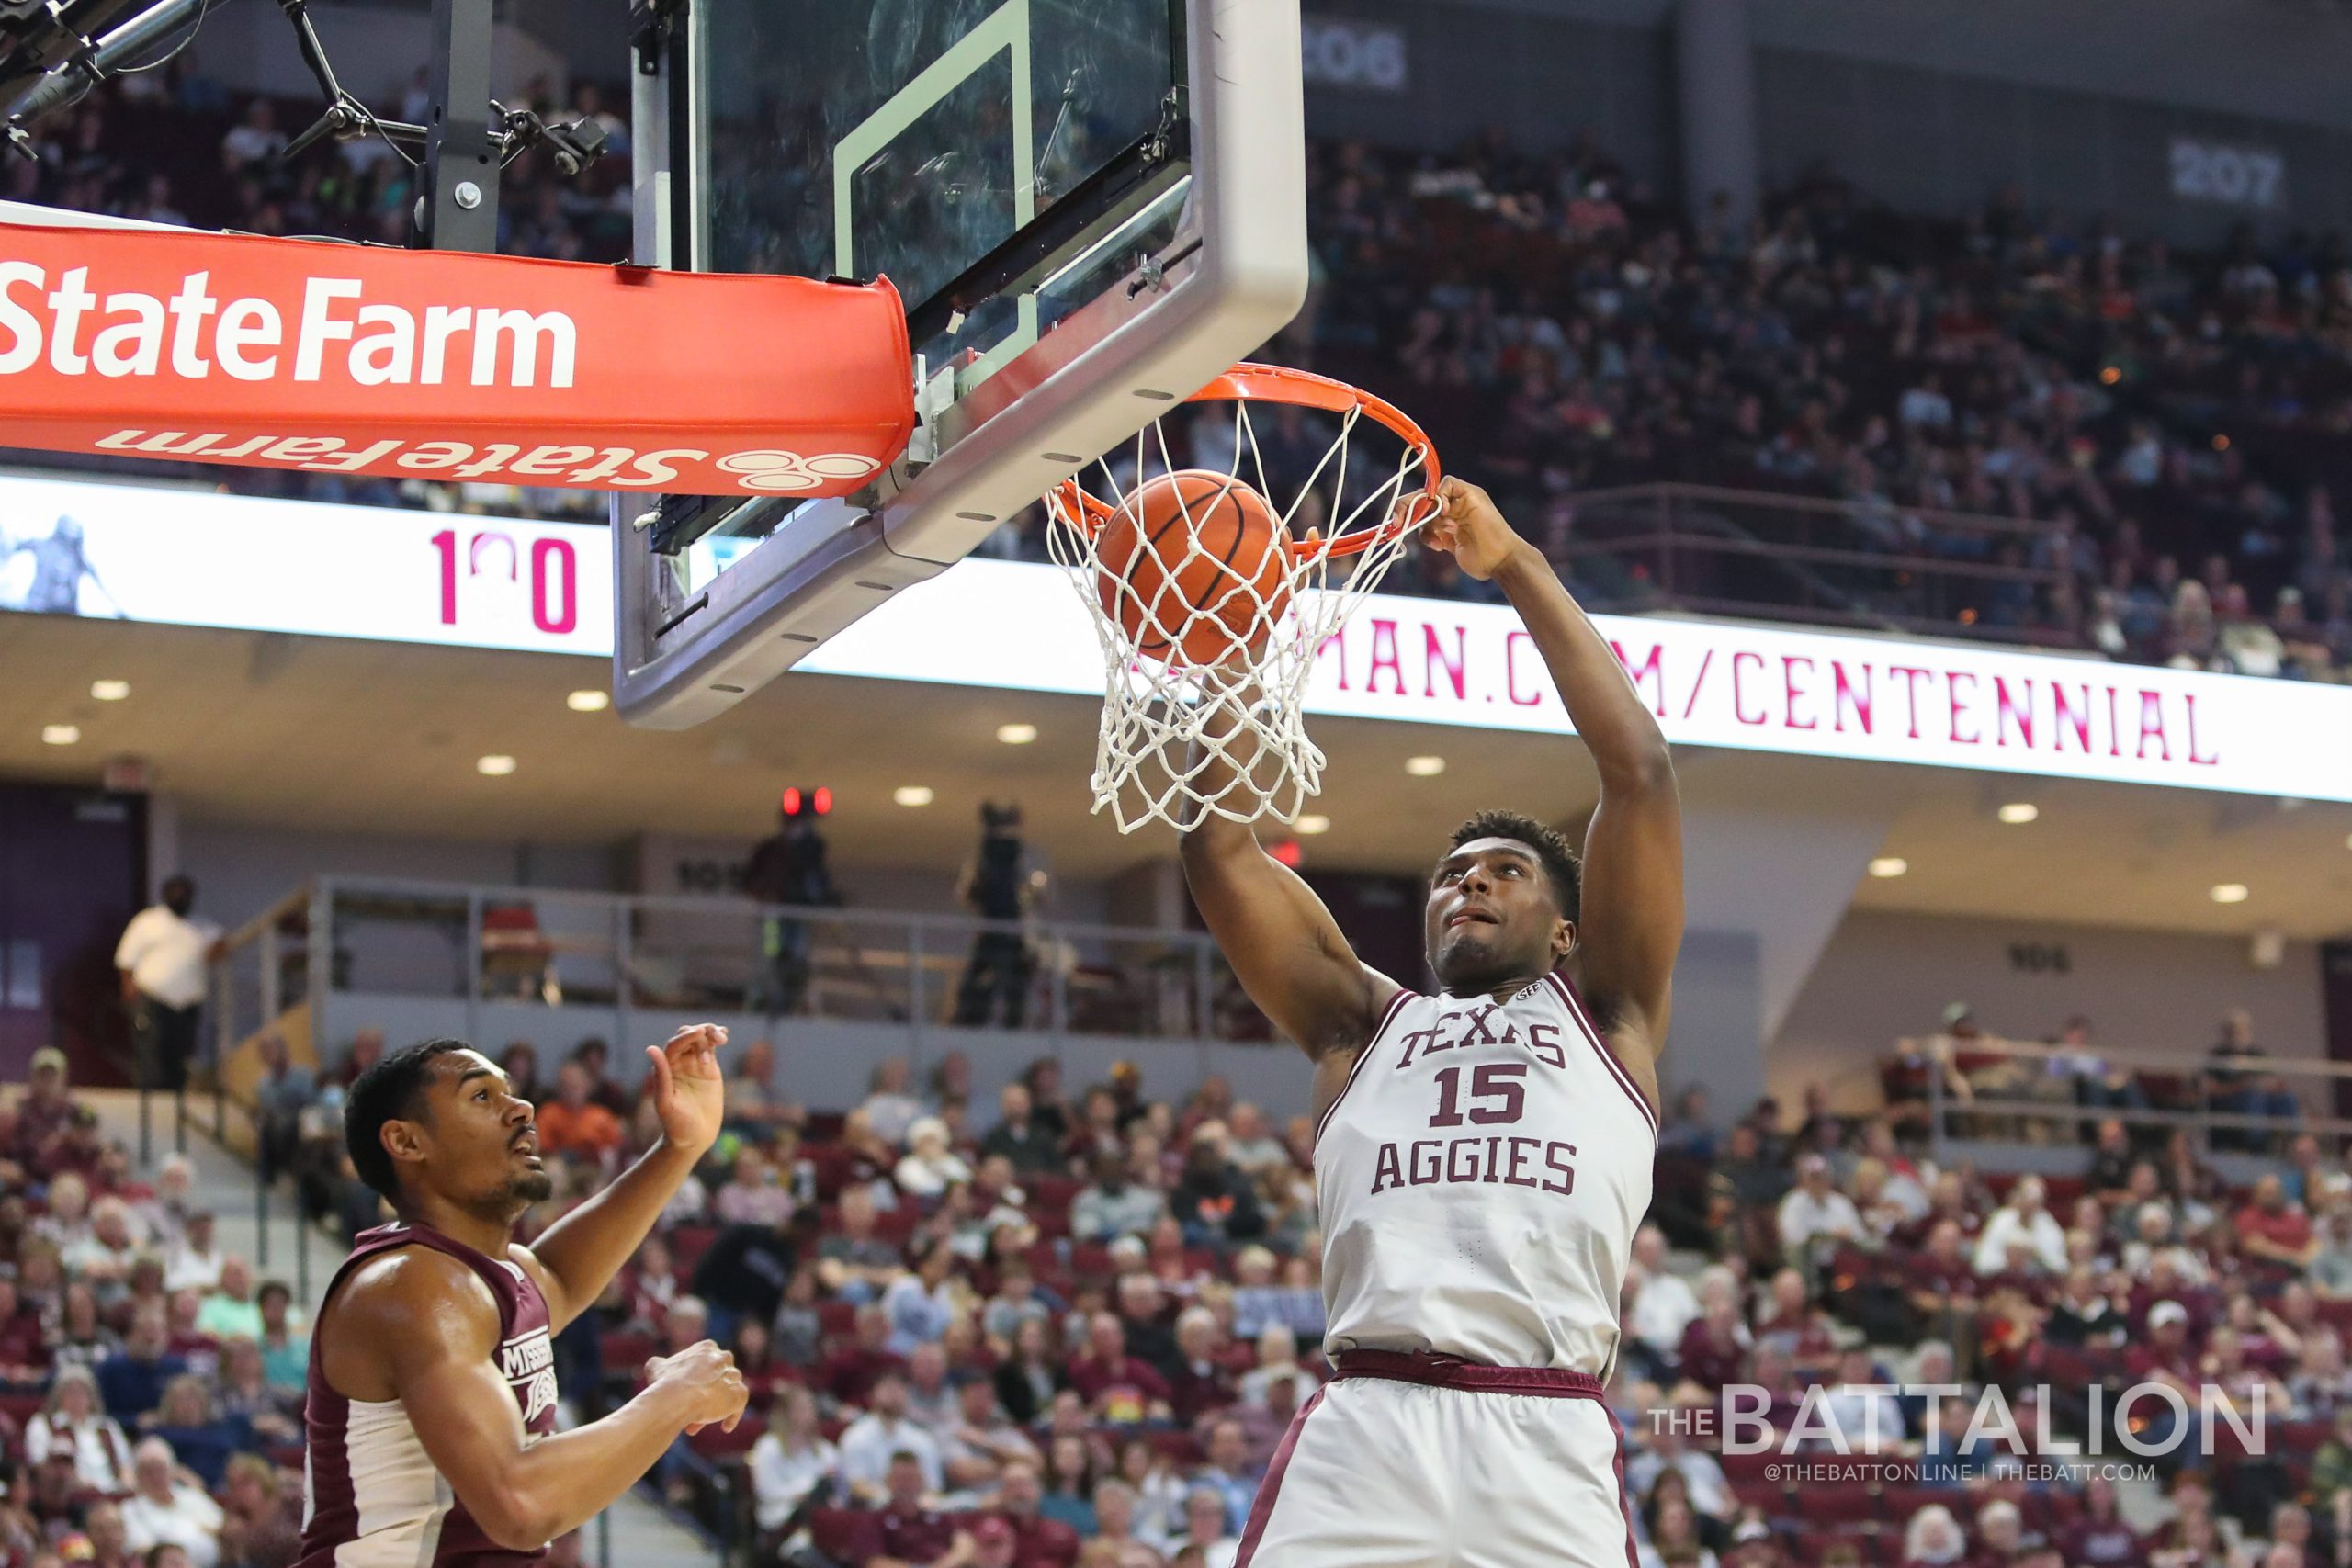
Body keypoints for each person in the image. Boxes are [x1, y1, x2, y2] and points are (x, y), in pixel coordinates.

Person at [1177, 478, 1679, 1567]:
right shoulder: (1359, 1026)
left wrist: (1514, 567)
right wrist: (1233, 644)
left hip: (1542, 1430)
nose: (1470, 888)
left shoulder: (1608, 1010)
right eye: (1451, 877)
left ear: (1564, 932)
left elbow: (1637, 774)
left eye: (1506, 873)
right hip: (1370, 1423)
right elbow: (1217, 852)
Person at [292, 1026, 747, 1568]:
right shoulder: (414, 1286)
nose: (523, 1107)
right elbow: (518, 1505)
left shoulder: (487, 1274)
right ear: (408, 1142)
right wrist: (676, 1396)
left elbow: (561, 1275)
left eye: (511, 1090)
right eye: (482, 1096)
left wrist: (681, 1146)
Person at [115, 876, 223, 1095]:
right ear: (165, 895)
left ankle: (176, 1095)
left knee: (181, 1054)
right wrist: (128, 989)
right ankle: (150, 1097)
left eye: (184, 893)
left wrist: (217, 951)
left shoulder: (200, 926)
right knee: (151, 1050)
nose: (180, 897)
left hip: (187, 1005)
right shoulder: (147, 922)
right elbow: (126, 960)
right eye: (175, 892)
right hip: (152, 998)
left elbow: (222, 941)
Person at [744, 796, 841, 1017]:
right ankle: (762, 1000)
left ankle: (789, 1002)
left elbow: (816, 878)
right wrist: (765, 893)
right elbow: (752, 881)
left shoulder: (812, 848)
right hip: (773, 914)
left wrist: (824, 899)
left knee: (796, 960)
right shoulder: (771, 849)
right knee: (769, 957)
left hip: (798, 916)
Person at [954, 804, 1038, 1028]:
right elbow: (969, 894)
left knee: (1011, 982)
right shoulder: (984, 860)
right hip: (993, 928)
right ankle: (974, 1019)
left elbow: (1037, 895)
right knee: (985, 979)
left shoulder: (1021, 860)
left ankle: (1004, 1020)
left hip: (1010, 929)